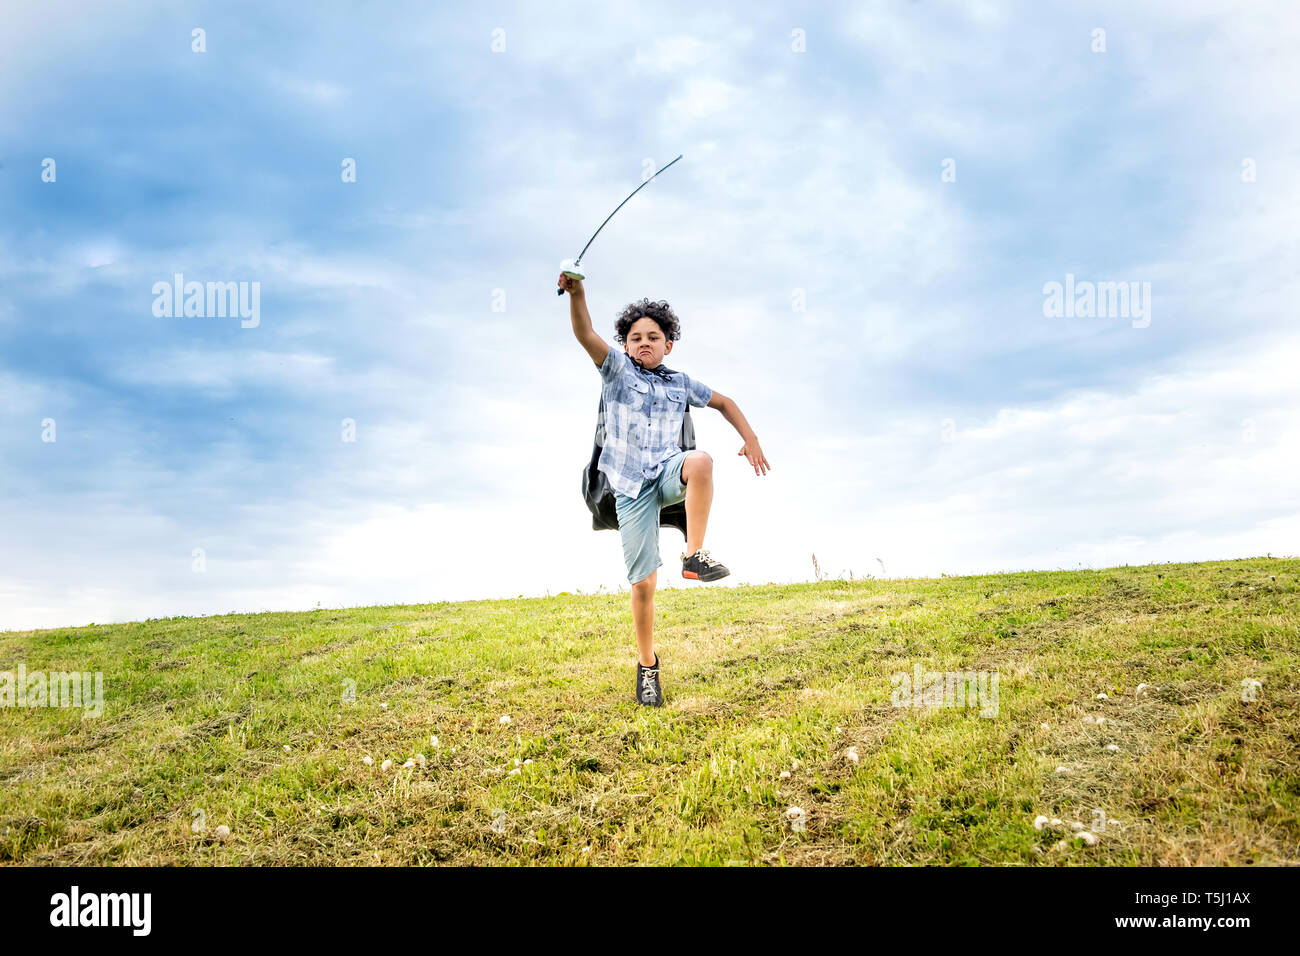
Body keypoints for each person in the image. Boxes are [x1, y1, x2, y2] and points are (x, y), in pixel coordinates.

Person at [560, 272, 771, 706]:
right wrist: (577, 293)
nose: (644, 343)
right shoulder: (616, 371)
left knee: (701, 462)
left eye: (653, 337)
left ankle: (694, 555)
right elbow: (584, 332)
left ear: (667, 344)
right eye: (635, 337)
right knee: (644, 585)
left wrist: (749, 438)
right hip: (630, 489)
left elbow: (725, 403)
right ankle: (647, 666)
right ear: (625, 344)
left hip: (668, 471)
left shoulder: (680, 384)